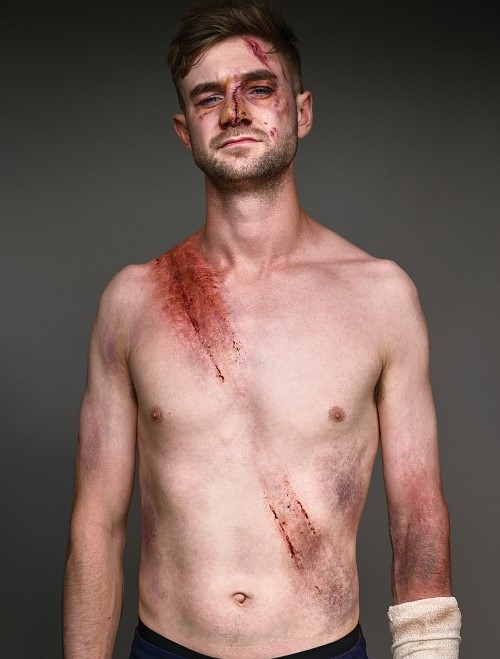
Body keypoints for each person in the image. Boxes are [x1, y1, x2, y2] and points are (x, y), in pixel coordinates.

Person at [62, 1, 462, 657]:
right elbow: (96, 525)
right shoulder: (132, 301)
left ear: (301, 112)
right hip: (167, 646)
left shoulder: (381, 296)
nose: (234, 112)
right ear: (185, 130)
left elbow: (417, 519)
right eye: (208, 97)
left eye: (258, 88)